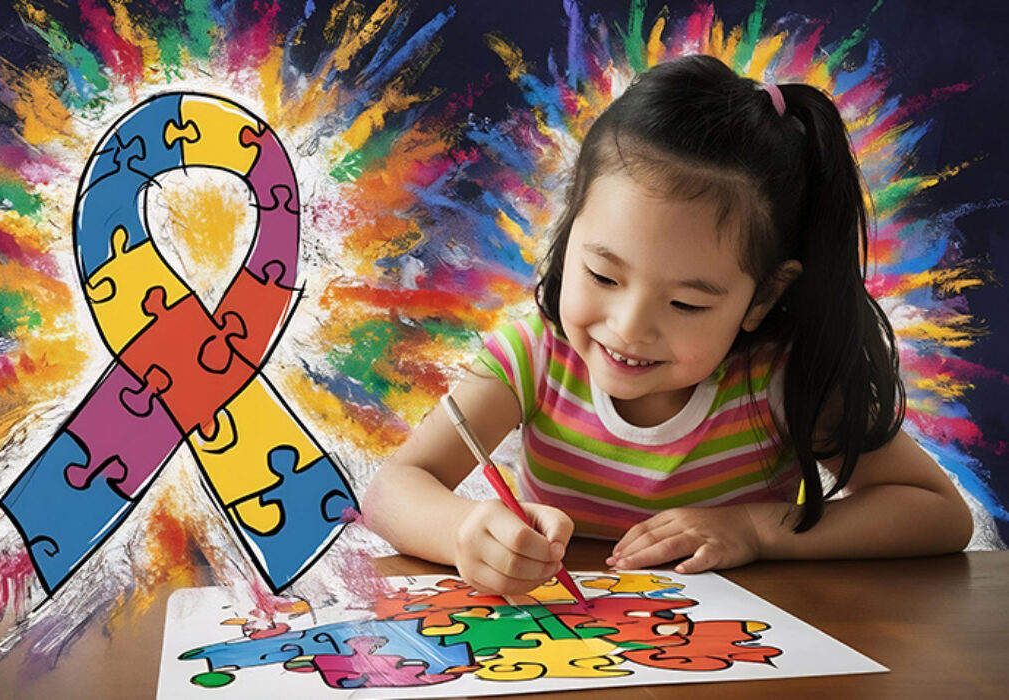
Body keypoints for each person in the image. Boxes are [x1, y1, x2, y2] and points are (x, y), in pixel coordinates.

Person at [361, 54, 973, 596]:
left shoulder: (781, 379)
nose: (629, 328)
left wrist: (753, 529)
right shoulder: (533, 358)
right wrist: (465, 531)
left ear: (762, 297)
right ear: (571, 232)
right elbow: (392, 489)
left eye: (686, 305)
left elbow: (936, 512)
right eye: (602, 276)